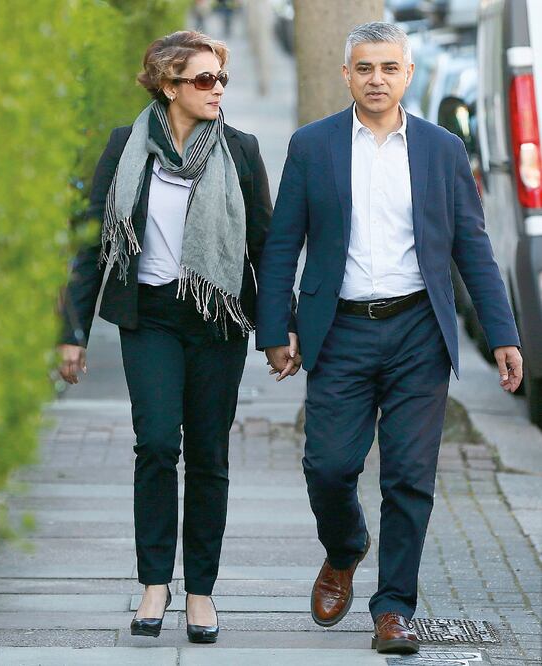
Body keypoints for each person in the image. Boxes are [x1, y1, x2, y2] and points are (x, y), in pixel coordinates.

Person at [256, 22, 522, 655]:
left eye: (389, 68)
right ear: (347, 75)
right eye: (365, 68)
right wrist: (276, 328)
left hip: (418, 332)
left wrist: (502, 334)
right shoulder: (312, 146)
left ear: (407, 74)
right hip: (339, 330)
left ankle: (395, 608)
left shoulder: (442, 149)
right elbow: (282, 243)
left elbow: (473, 247)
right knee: (329, 466)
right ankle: (345, 547)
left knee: (408, 475)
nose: (377, 79)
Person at [58, 30, 292, 644]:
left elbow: (265, 247)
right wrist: (73, 330)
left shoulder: (240, 150)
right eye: (204, 80)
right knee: (158, 444)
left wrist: (278, 329)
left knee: (209, 454)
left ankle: (201, 591)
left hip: (218, 320)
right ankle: (154, 583)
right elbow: (91, 238)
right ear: (168, 85)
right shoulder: (126, 146)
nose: (217, 90)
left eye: (221, 79)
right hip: (152, 318)